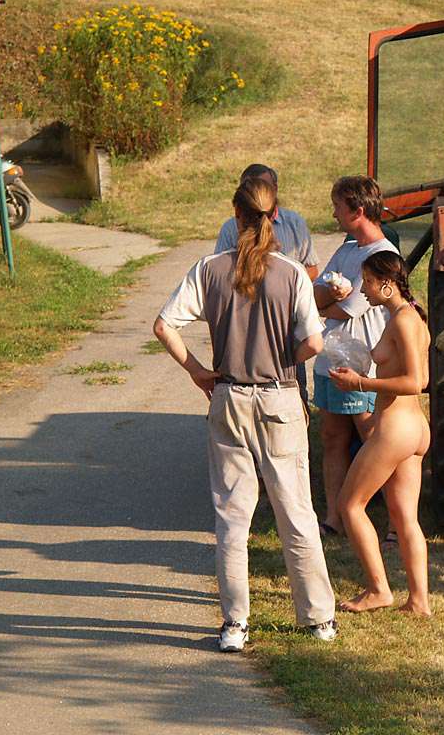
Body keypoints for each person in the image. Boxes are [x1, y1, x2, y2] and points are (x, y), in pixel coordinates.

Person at [154, 176, 337, 650]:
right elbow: (315, 340)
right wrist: (287, 356)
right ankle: (318, 618)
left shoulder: (211, 269)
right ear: (273, 216)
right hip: (278, 394)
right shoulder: (291, 272)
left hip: (229, 396)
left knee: (232, 517)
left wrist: (197, 370)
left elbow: (164, 324)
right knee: (295, 510)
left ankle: (235, 623)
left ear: (236, 216)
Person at [329, 251, 431, 615]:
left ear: (387, 284)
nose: (364, 290)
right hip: (414, 428)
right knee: (404, 517)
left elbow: (418, 381)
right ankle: (419, 601)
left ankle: (378, 590)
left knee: (349, 504)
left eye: (368, 282)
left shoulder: (404, 320)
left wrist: (361, 382)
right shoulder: (412, 316)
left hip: (397, 427)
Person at [312, 176, 399, 537]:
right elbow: (313, 300)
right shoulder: (346, 249)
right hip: (329, 361)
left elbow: (347, 309)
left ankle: (396, 522)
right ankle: (336, 517)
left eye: (338, 207)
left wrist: (329, 301)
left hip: (362, 364)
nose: (334, 214)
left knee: (375, 441)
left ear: (357, 210)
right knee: (332, 437)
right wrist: (328, 300)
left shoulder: (382, 256)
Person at [215, 163, 319, 404]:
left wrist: (284, 285)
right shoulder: (231, 229)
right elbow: (221, 277)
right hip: (243, 325)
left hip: (285, 325)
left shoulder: (294, 223)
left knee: (293, 392)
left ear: (275, 189)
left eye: (265, 188)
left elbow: (312, 268)